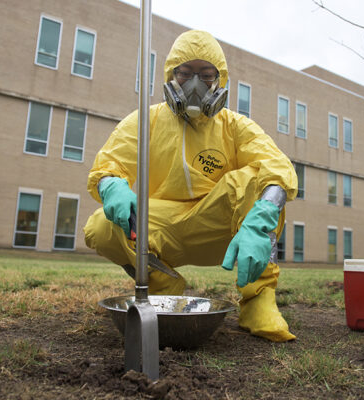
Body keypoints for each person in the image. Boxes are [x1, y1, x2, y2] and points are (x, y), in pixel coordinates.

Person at [84, 30, 298, 342]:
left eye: (206, 75)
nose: (195, 84)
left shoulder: (235, 127)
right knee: (101, 226)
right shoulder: (147, 120)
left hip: (221, 230)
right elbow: (108, 164)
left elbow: (278, 169)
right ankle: (160, 284)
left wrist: (263, 212)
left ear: (219, 80)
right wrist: (112, 185)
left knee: (258, 181)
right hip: (162, 231)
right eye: (185, 73)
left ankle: (258, 300)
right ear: (171, 75)